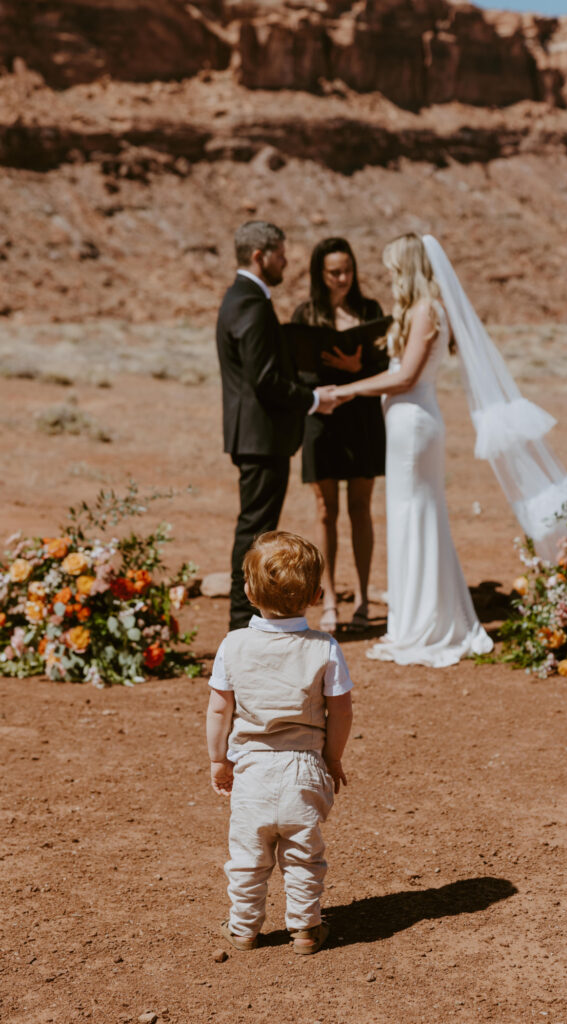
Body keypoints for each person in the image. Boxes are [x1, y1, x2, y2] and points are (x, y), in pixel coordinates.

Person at [330, 234, 494, 667]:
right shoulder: (425, 311)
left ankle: (421, 622)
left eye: (392, 268)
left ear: (408, 267)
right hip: (408, 424)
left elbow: (405, 379)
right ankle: (419, 615)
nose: (388, 277)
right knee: (412, 515)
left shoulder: (426, 309)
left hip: (414, 425)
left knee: (414, 515)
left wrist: (347, 391)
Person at [206, 530, 353, 955]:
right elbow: (340, 711)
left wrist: (219, 760)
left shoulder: (234, 644)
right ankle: (305, 929)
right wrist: (333, 757)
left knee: (248, 858)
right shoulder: (325, 648)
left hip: (252, 768)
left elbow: (219, 710)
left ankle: (243, 929)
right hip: (304, 768)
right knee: (303, 856)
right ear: (317, 594)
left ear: (249, 591)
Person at [216, 221, 339, 631]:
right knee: (255, 528)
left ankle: (247, 613)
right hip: (261, 435)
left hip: (256, 434)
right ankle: (241, 618)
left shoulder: (241, 298)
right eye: (281, 253)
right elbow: (264, 379)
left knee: (255, 524)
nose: (286, 261)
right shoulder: (250, 303)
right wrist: (315, 399)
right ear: (259, 255)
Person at [292, 237, 388, 633]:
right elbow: (298, 372)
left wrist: (355, 366)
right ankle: (329, 598)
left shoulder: (370, 311)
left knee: (361, 509)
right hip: (322, 423)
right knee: (325, 511)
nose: (343, 278)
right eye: (334, 272)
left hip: (362, 419)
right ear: (320, 273)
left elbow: (387, 368)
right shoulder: (306, 313)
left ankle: (364, 598)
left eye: (348, 270)